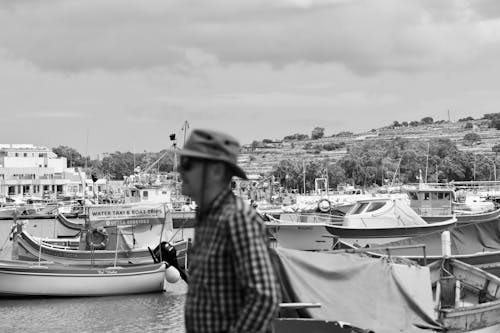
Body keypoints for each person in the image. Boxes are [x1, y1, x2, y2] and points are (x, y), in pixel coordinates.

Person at [177, 128, 281, 333]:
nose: (180, 170)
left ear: (216, 171)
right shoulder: (208, 218)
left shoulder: (237, 218)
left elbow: (264, 297)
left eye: (188, 164)